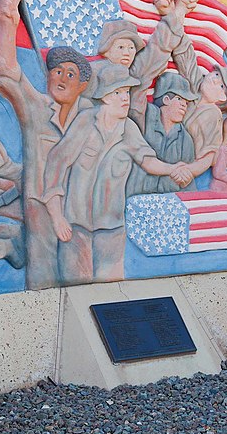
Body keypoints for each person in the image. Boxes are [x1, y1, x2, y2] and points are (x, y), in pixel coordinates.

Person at [42, 63, 192, 284]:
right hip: (76, 227)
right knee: (75, 284)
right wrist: (56, 217)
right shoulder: (84, 122)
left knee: (112, 287)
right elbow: (56, 164)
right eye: (118, 92)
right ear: (105, 97)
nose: (125, 98)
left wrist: (173, 168)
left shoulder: (129, 128)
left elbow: (148, 162)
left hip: (112, 229)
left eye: (127, 92)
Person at [0, 0, 93, 290]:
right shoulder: (35, 108)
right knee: (43, 276)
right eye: (55, 71)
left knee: (83, 276)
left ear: (83, 85)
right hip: (38, 205)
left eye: (69, 74)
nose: (59, 77)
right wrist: (5, 24)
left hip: (78, 206)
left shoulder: (92, 118)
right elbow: (5, 71)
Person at [128, 72, 199, 195]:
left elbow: (187, 181)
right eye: (179, 99)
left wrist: (184, 176)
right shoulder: (144, 118)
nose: (184, 105)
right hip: (137, 196)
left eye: (186, 102)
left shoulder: (185, 139)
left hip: (168, 201)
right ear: (166, 99)